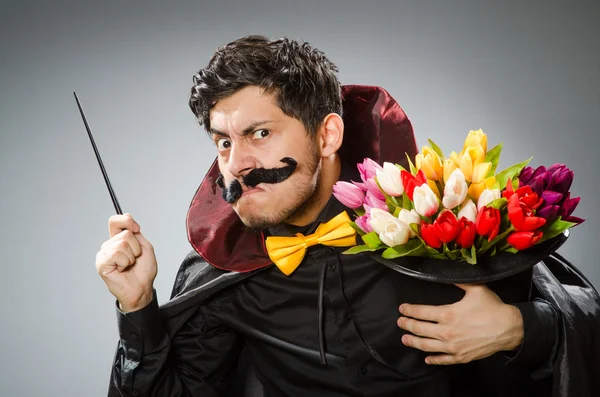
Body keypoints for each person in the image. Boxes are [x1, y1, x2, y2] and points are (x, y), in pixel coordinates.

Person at [96, 35, 600, 397]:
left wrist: (520, 327)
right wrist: (138, 307)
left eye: (261, 134)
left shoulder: (436, 222)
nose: (236, 163)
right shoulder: (222, 273)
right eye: (224, 141)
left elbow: (585, 322)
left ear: (328, 135)